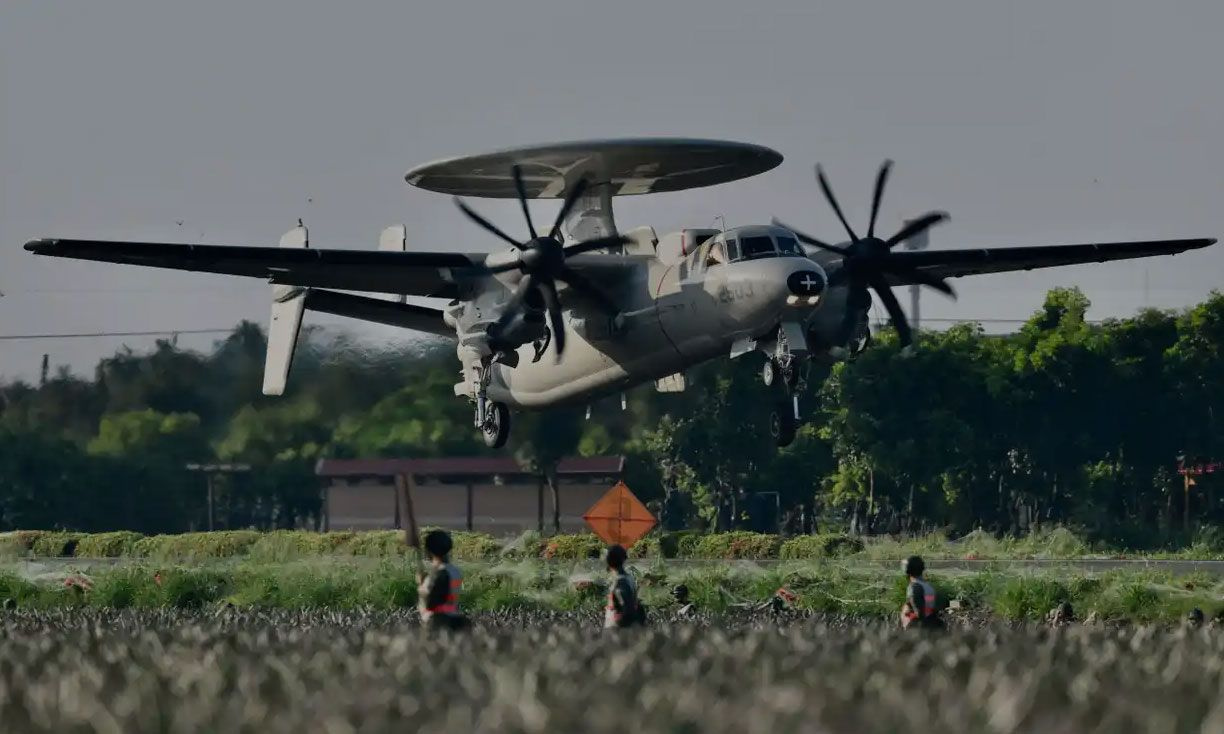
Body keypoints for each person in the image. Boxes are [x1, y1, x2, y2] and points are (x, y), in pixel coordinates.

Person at [417, 529, 469, 632]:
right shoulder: (454, 571)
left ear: (429, 551)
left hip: (438, 623)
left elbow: (431, 603)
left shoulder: (439, 574)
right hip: (453, 618)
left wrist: (422, 586)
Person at [604, 544, 645, 629]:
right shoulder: (629, 578)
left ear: (608, 561)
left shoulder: (620, 583)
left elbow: (628, 610)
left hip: (619, 634)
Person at [899, 555, 942, 630]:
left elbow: (919, 612)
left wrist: (907, 616)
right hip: (934, 623)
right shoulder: (928, 586)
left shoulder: (914, 587)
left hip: (921, 627)